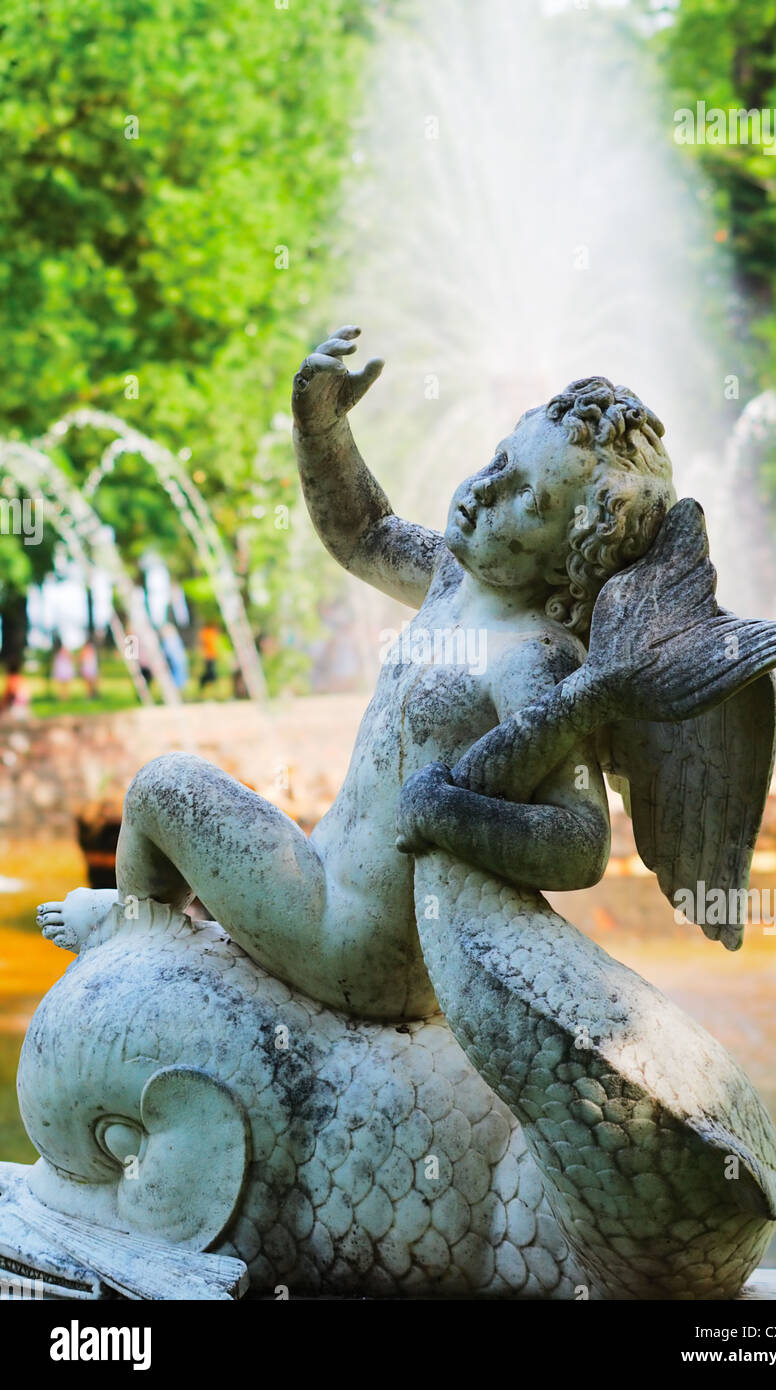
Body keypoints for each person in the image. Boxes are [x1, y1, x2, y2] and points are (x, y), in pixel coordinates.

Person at [77, 326, 675, 1025]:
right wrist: (321, 427)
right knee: (178, 797)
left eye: (529, 500)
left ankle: (136, 941)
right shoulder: (458, 581)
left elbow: (582, 843)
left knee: (162, 790)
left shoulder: (536, 658)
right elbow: (364, 533)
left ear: (574, 563)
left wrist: (454, 814)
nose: (485, 489)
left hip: (363, 944)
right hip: (323, 878)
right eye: (501, 460)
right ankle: (153, 931)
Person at [161, 623, 188, 689]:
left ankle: (177, 688)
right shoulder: (175, 639)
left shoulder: (170, 640)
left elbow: (167, 651)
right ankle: (178, 688)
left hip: (174, 660)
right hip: (177, 660)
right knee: (179, 675)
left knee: (177, 676)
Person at [198, 623, 219, 692]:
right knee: (211, 673)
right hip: (209, 656)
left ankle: (205, 684)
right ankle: (203, 683)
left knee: (211, 673)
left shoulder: (210, 633)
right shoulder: (207, 633)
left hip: (211, 656)